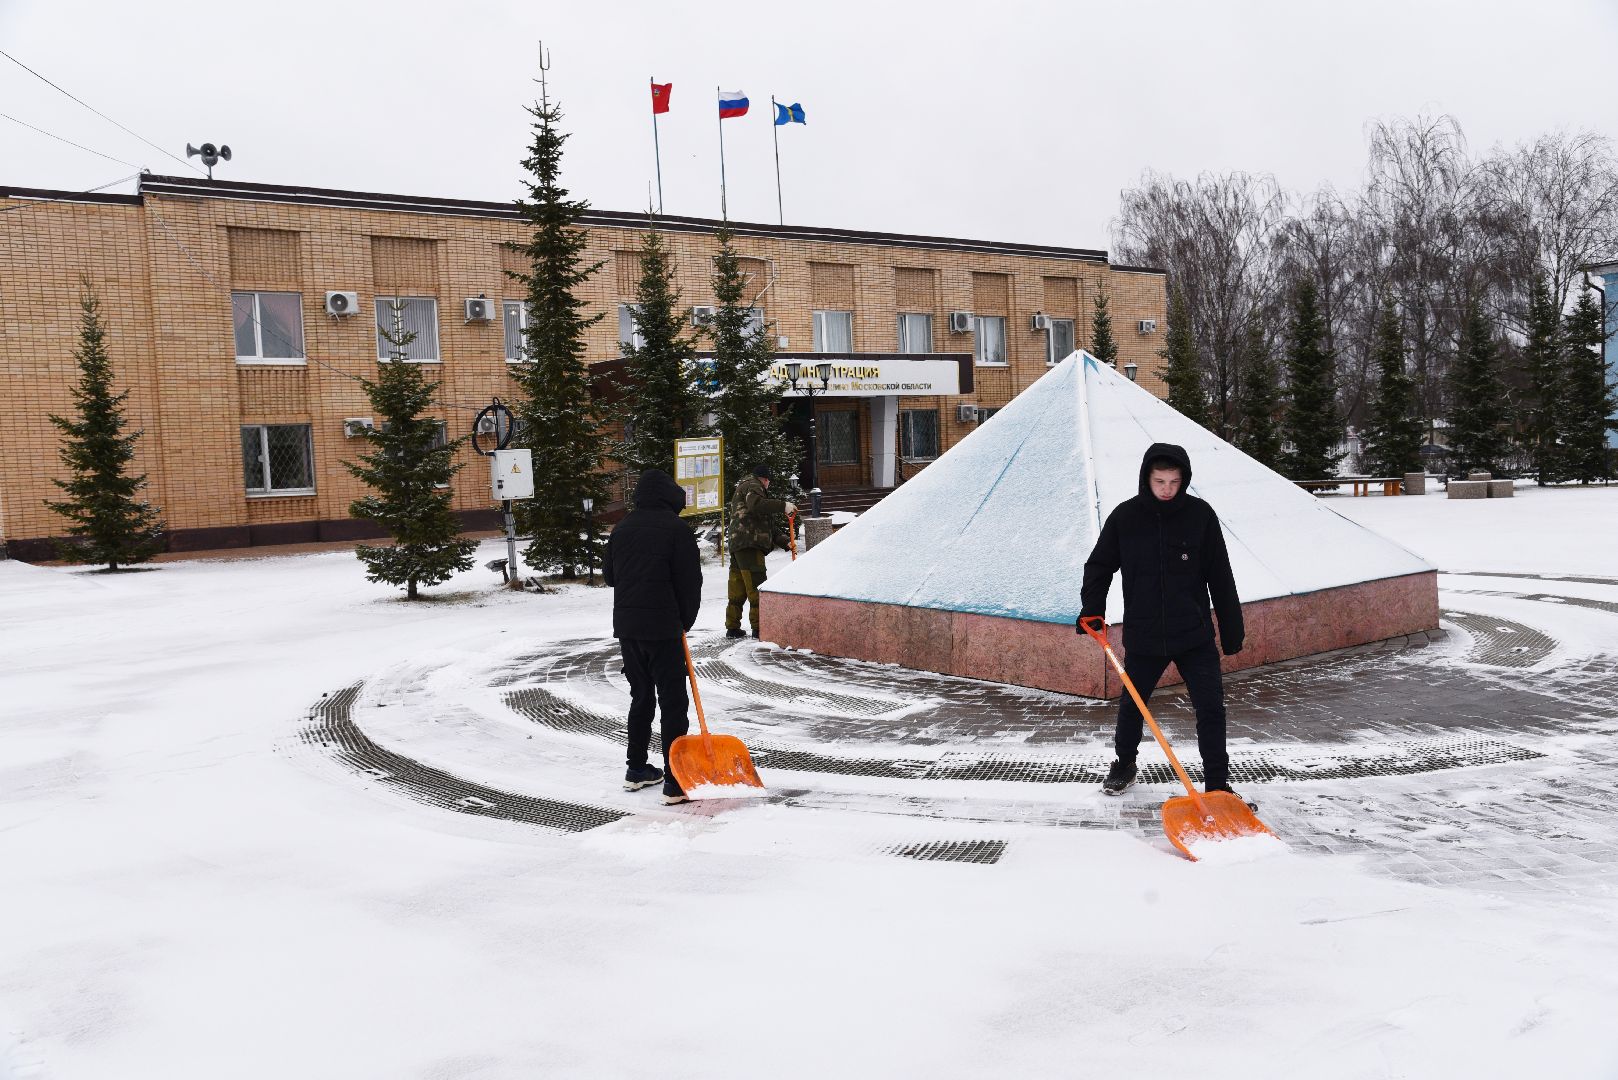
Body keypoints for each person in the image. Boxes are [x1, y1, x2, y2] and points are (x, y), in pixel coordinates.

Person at [1077, 442, 1245, 799]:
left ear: (1184, 479)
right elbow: (1099, 566)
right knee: (1133, 705)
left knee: (1212, 707)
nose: (1167, 488)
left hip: (1193, 634)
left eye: (1174, 481)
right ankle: (1124, 765)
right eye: (1159, 481)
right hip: (1145, 633)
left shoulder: (1200, 516)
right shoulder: (1126, 518)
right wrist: (1093, 609)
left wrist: (1232, 630)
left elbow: (1221, 576)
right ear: (1146, 479)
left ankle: (1217, 783)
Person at [603, 468, 703, 806]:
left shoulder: (622, 528)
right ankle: (674, 781)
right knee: (673, 701)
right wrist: (684, 622)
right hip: (663, 629)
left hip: (628, 629)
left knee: (641, 697)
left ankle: (636, 768)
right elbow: (690, 584)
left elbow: (610, 577)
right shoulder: (677, 530)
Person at [724, 465, 797, 639]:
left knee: (738, 587)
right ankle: (759, 627)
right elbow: (756, 505)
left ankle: (733, 627)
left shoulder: (746, 487)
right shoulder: (753, 485)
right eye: (768, 482)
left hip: (738, 544)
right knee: (756, 586)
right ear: (764, 479)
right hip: (750, 544)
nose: (768, 485)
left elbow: (765, 523)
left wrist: (785, 541)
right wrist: (783, 505)